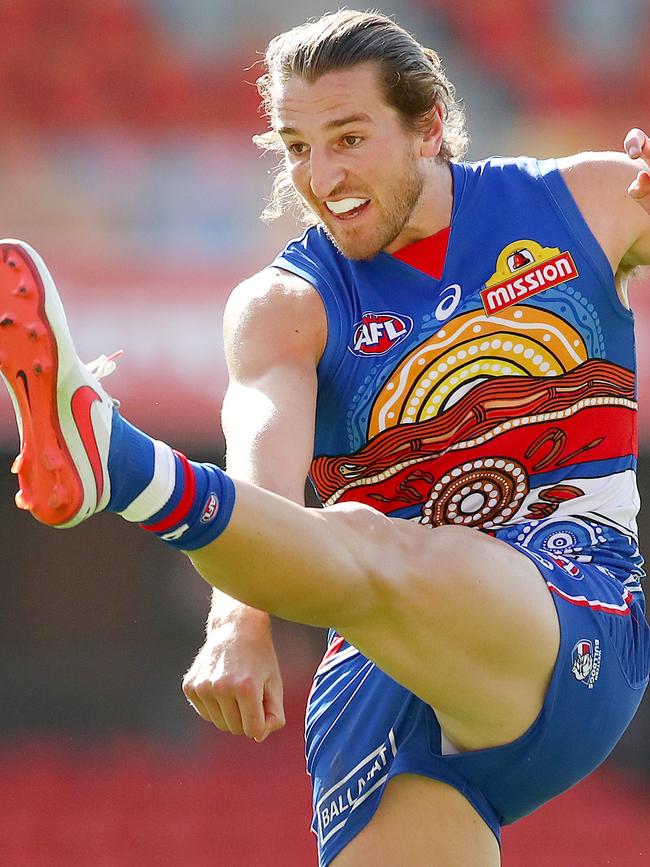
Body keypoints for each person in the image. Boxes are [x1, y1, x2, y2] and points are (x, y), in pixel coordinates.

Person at [1, 9, 649, 866]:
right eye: (298, 146)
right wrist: (238, 624)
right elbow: (264, 477)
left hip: (569, 608)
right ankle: (113, 460)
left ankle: (119, 463)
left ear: (426, 129)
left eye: (348, 137)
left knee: (361, 529)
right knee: (348, 536)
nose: (323, 174)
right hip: (380, 671)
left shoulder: (589, 201)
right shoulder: (284, 307)